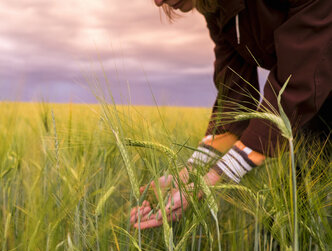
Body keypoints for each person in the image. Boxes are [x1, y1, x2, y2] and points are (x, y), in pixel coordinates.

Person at [130, 0, 331, 229]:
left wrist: (213, 178)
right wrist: (188, 175)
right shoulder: (214, 6)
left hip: (311, 88)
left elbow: (300, 75)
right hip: (309, 103)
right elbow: (235, 99)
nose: (158, 2)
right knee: (283, 222)